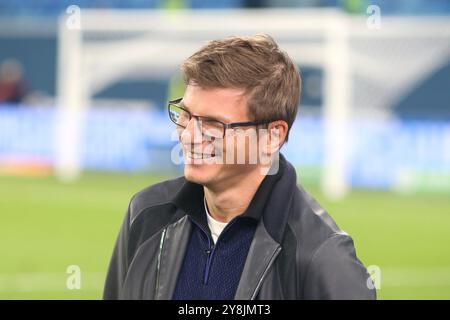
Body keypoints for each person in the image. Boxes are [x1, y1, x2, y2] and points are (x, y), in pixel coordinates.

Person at [103, 34, 376, 300]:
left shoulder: (322, 256)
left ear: (272, 137)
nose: (188, 136)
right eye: (185, 116)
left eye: (213, 124)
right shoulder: (146, 214)